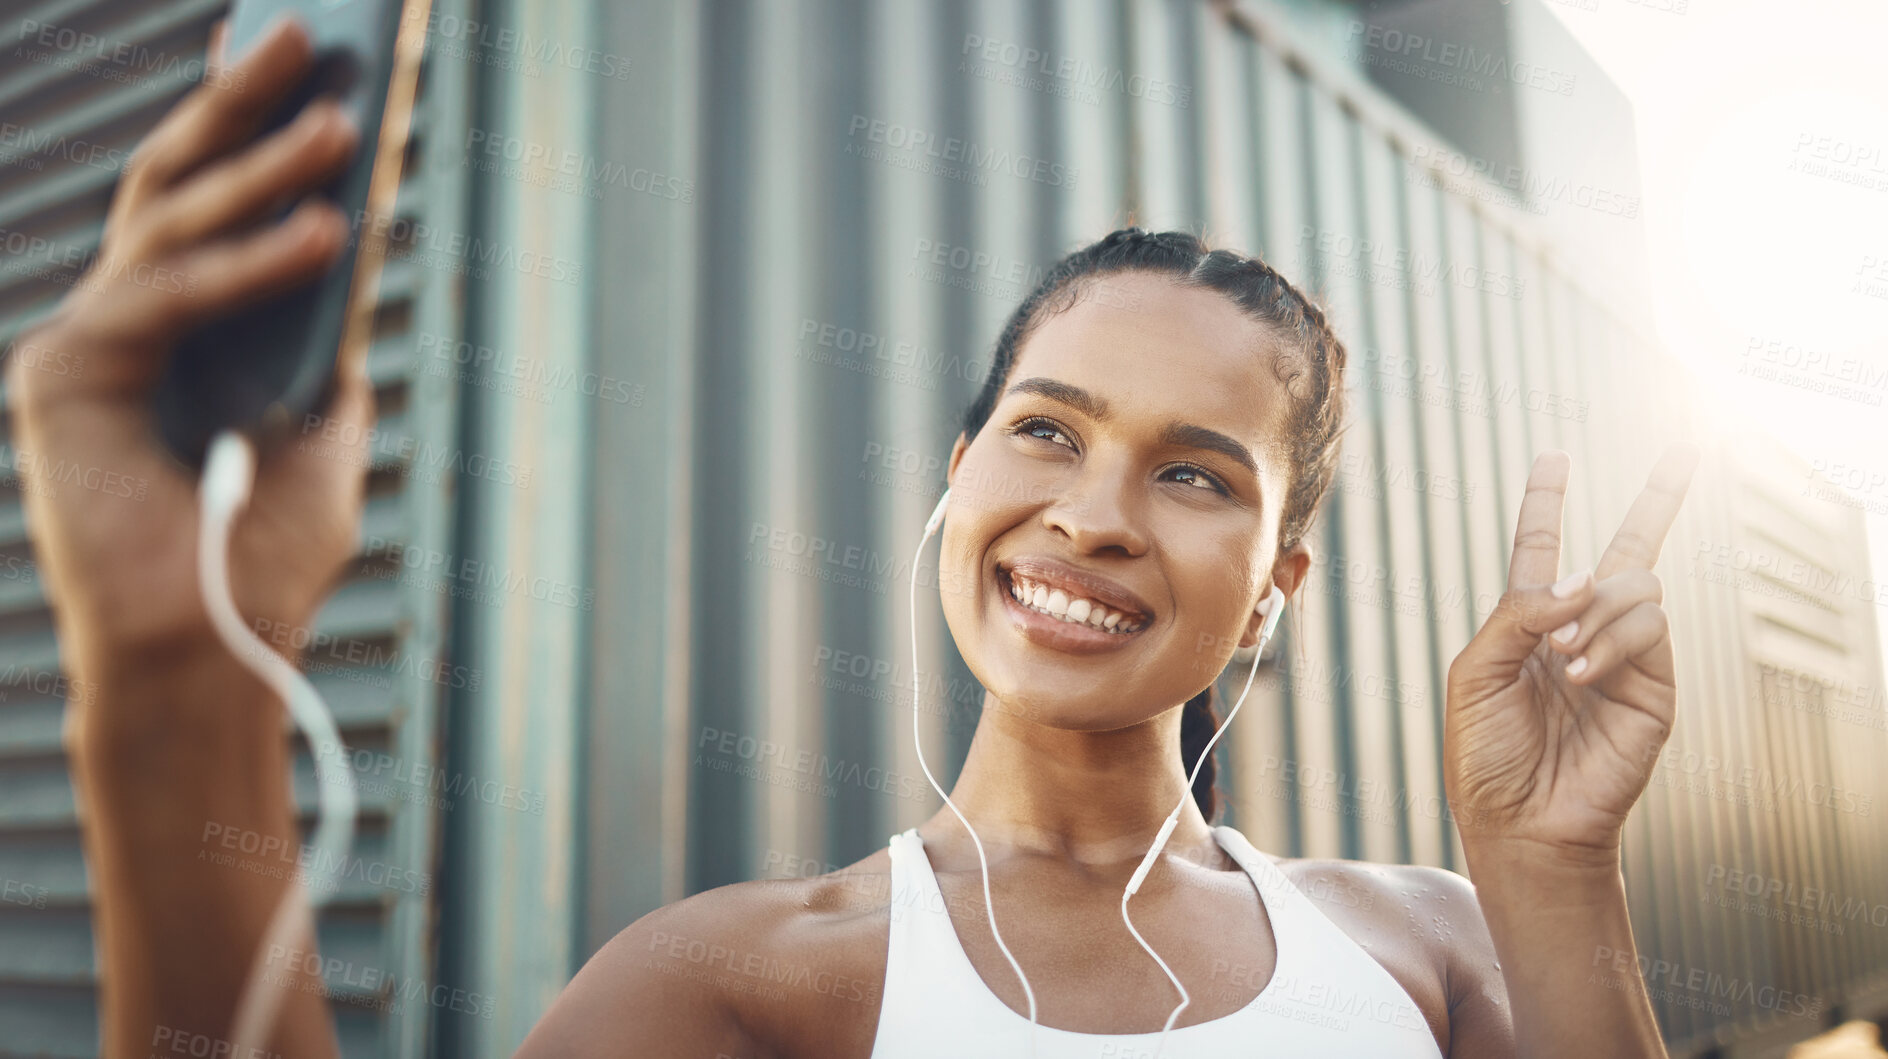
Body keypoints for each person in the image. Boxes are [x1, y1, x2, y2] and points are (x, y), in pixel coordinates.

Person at [6, 14, 1699, 1059]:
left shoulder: (1437, 946)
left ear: (1278, 586)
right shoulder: (742, 986)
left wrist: (1549, 872)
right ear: (956, 479)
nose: (1093, 516)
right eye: (1046, 431)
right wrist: (176, 686)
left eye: (1197, 476)